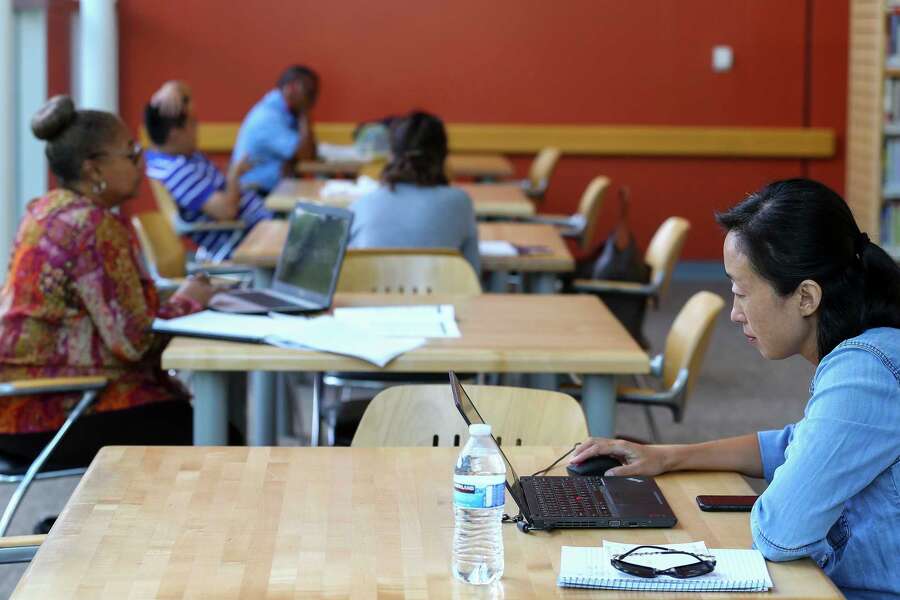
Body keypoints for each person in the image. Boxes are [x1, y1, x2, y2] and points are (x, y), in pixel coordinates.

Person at [570, 179, 900, 599]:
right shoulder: (872, 352)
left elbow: (781, 532)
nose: (734, 314)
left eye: (742, 292)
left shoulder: (866, 372)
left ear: (806, 298)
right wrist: (668, 457)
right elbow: (797, 443)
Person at [0, 95, 217, 470]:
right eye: (131, 154)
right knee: (215, 433)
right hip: (55, 410)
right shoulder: (94, 227)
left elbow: (106, 305)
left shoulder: (48, 209)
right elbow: (134, 342)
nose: (140, 163)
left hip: (18, 405)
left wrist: (172, 296)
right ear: (93, 169)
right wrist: (190, 300)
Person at [144, 80, 272, 259]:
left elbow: (187, 94)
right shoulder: (178, 171)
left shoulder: (168, 157)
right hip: (246, 239)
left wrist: (171, 89)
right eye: (193, 124)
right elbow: (227, 211)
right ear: (175, 133)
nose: (198, 129)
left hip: (258, 228)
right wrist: (234, 174)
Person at [347, 111, 480, 274]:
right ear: (444, 156)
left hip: (373, 298)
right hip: (440, 298)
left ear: (391, 155)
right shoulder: (461, 202)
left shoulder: (362, 205)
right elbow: (473, 272)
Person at [232, 65, 319, 193]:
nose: (313, 102)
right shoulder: (268, 116)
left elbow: (308, 152)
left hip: (272, 189)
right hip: (254, 193)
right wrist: (304, 111)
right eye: (309, 94)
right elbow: (306, 154)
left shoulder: (284, 113)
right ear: (291, 88)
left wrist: (292, 161)